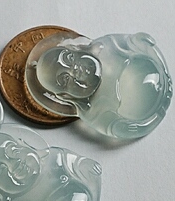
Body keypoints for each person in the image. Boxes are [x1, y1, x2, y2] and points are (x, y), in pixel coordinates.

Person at [31, 32, 172, 138]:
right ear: (65, 96)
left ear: (76, 49)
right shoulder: (90, 111)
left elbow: (130, 43)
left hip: (156, 71)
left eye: (69, 58)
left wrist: (142, 43)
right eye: (65, 79)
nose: (74, 70)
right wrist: (136, 127)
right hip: (145, 113)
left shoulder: (105, 47)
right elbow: (114, 127)